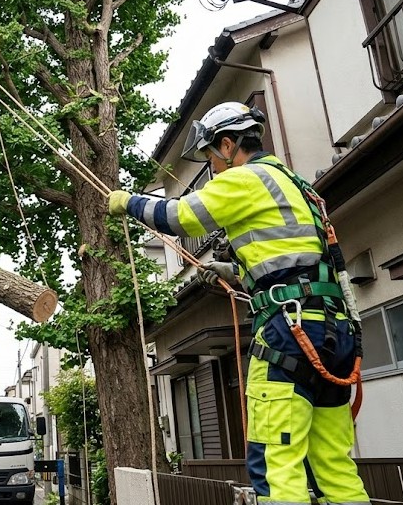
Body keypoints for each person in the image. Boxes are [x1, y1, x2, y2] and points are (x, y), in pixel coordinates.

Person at [108, 102, 370, 505]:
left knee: (276, 465)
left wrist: (128, 202)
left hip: (289, 333)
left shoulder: (246, 179)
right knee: (333, 465)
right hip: (333, 331)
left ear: (228, 145)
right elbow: (295, 260)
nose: (211, 167)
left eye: (211, 155)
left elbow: (180, 217)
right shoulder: (295, 184)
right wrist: (234, 272)